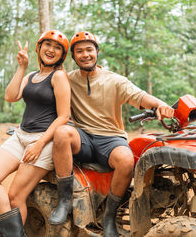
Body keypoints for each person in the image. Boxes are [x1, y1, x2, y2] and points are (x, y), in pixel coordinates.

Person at [48, 31, 174, 237]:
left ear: (97, 52)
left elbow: (140, 96)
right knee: (62, 133)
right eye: (79, 51)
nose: (85, 54)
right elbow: (44, 91)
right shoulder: (67, 79)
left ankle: (109, 217)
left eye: (89, 50)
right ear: (73, 56)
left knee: (126, 160)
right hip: (84, 138)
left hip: (111, 138)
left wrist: (161, 104)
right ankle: (64, 201)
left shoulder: (115, 80)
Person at [0, 30, 71, 236]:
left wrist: (39, 145)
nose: (51, 50)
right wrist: (22, 67)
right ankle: (14, 234)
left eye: (57, 48)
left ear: (62, 56)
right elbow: (11, 96)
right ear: (39, 48)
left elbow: (64, 116)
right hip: (21, 136)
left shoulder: (59, 76)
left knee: (15, 196)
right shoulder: (31, 76)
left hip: (43, 140)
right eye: (48, 45)